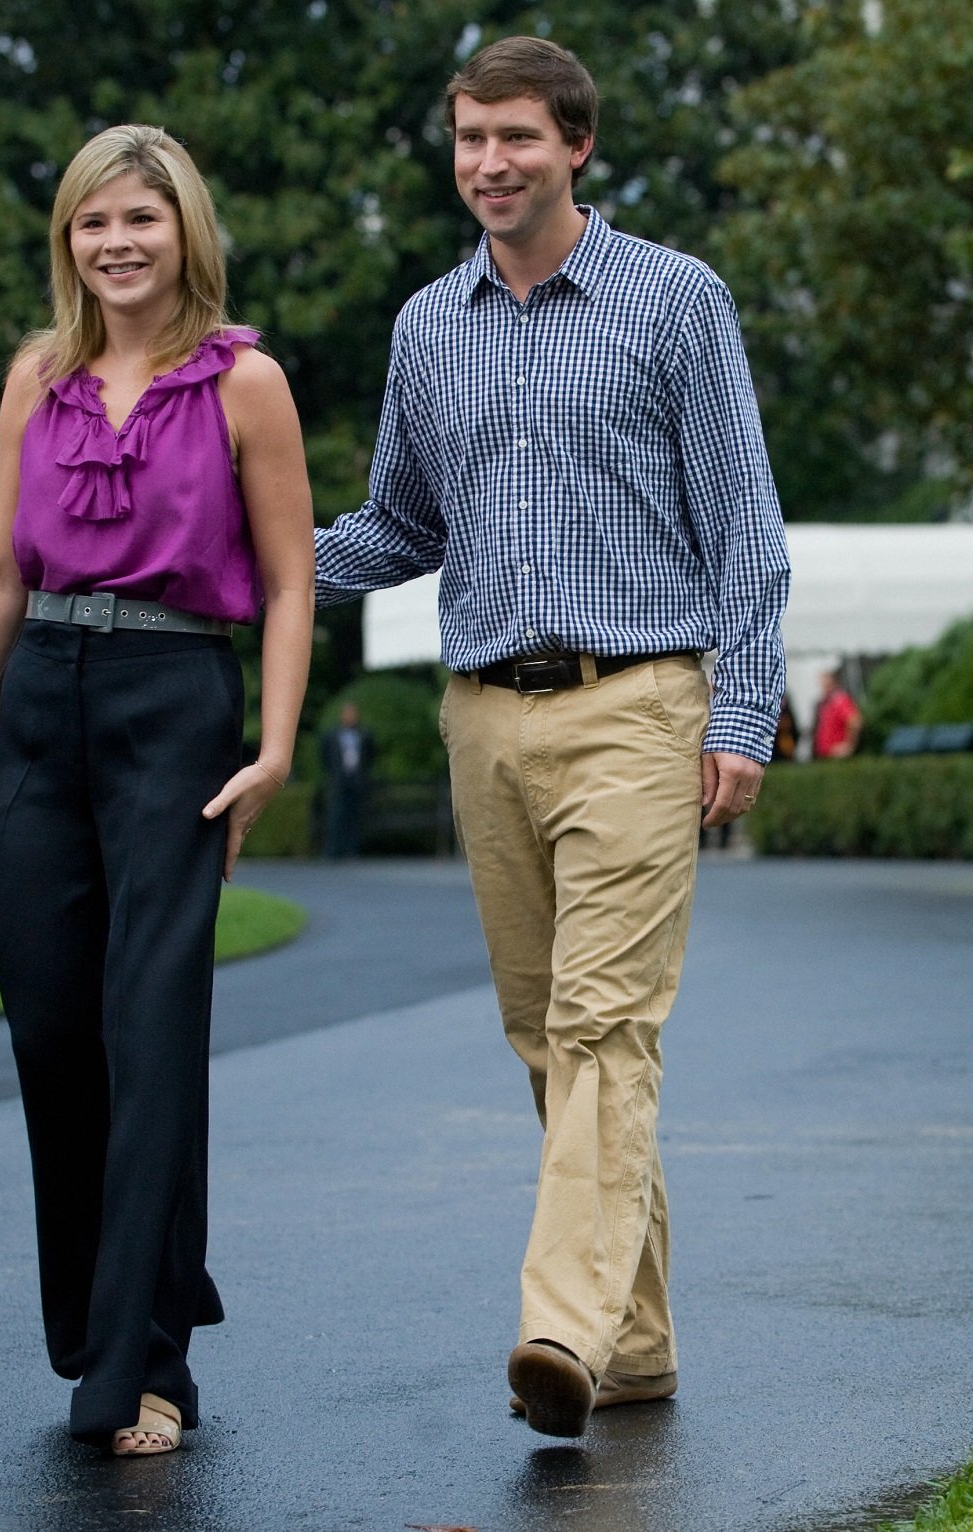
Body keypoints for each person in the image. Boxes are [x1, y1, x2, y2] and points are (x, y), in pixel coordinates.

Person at [313, 37, 790, 1438]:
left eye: (517, 136)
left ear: (577, 145)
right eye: (470, 139)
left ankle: (560, 1331)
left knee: (605, 1023)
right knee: (545, 1036)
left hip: (639, 703)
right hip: (483, 720)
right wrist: (244, 550)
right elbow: (397, 527)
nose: (489, 164)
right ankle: (635, 1340)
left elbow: (743, 528)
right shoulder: (427, 325)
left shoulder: (674, 300)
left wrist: (743, 713)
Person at [0, 124, 314, 1455]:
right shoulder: (37, 377)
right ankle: (98, 1330)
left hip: (175, 713)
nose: (117, 243)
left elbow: (288, 579)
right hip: (39, 705)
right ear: (69, 241)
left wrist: (271, 744)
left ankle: (150, 1369)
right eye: (94, 223)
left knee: (150, 1036)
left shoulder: (246, 382)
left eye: (140, 217)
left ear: (183, 229)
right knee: (50, 1032)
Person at [319, 700, 376, 857]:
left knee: (355, 816)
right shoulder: (332, 735)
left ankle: (352, 850)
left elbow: (370, 756)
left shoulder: (364, 734)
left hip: (357, 780)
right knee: (335, 815)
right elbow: (325, 756)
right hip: (339, 780)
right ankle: (332, 851)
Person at [811, 670, 862, 758]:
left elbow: (855, 722)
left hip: (836, 755)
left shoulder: (839, 700)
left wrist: (849, 745)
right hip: (825, 755)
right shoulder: (826, 702)